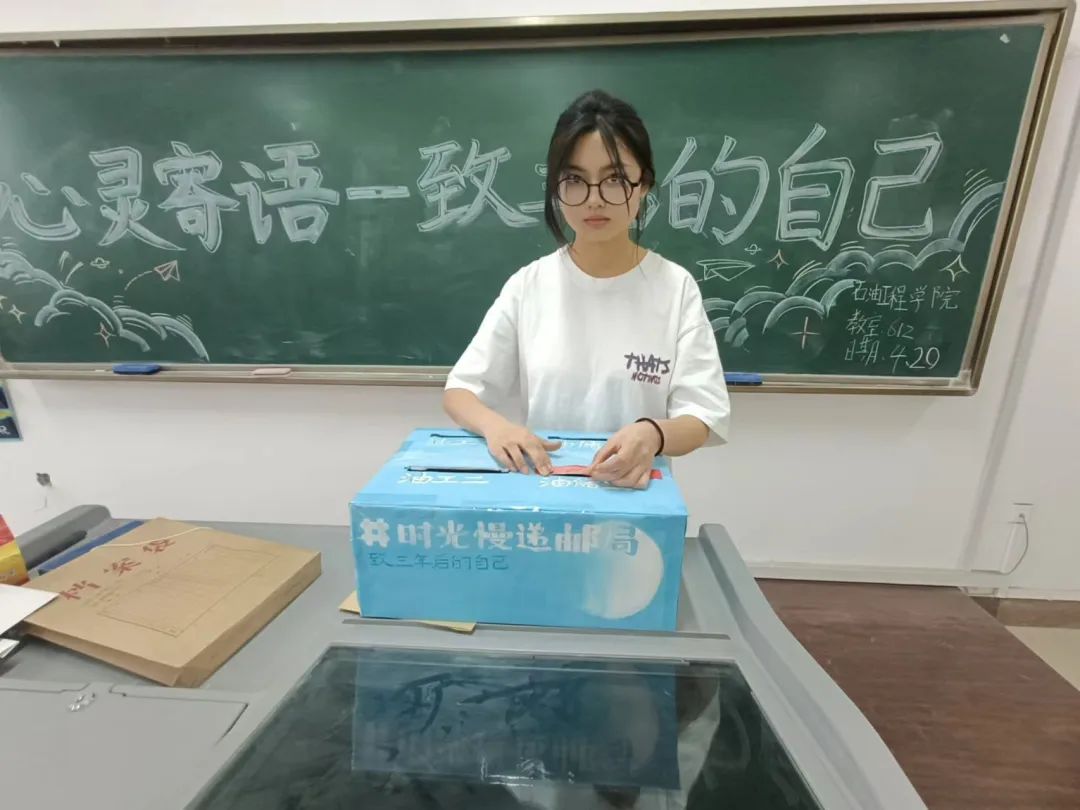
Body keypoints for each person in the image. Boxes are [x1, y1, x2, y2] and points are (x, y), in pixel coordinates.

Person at [443, 89, 730, 489]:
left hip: (635, 497)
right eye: (575, 180)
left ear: (644, 184)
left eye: (615, 180)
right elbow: (460, 392)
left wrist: (653, 433)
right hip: (545, 491)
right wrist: (498, 428)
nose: (594, 200)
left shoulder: (674, 287)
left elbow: (703, 416)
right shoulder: (529, 285)